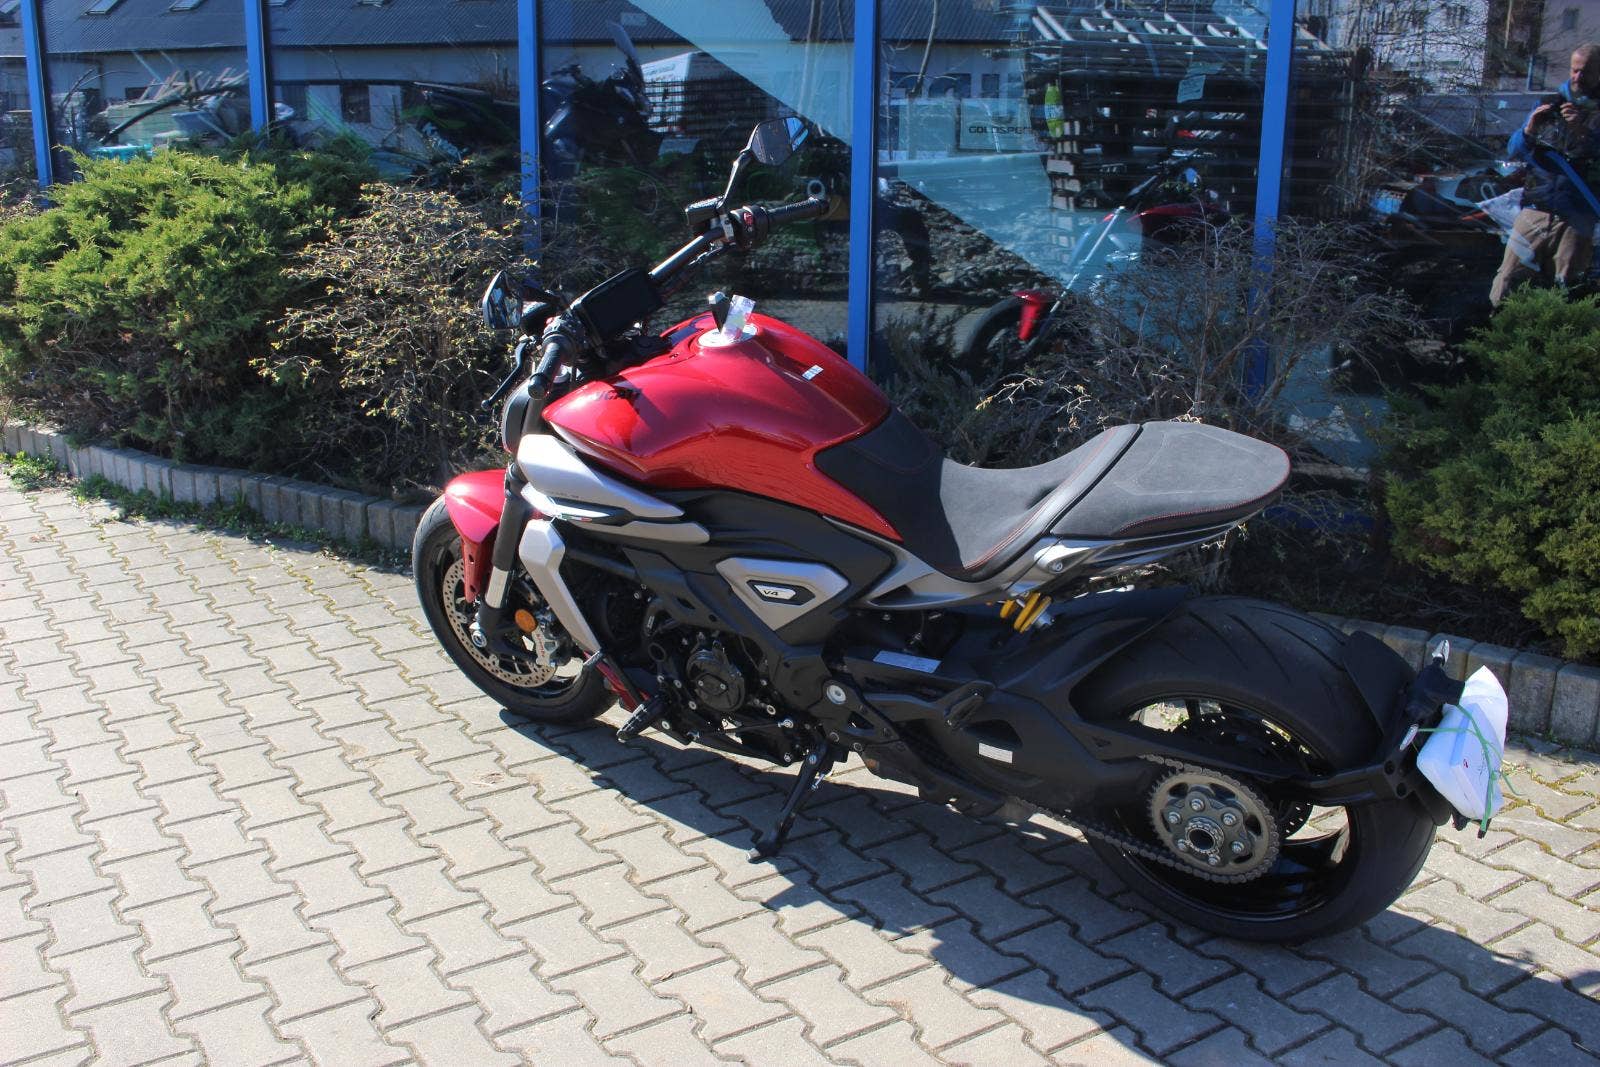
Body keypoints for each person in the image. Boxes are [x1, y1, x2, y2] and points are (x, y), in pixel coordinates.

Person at [1490, 45, 1600, 306]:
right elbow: (1514, 150)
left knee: (1567, 288)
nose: (1577, 77)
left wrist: (1582, 132)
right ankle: (1499, 323)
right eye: (1574, 70)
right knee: (1507, 282)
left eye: (1585, 72)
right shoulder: (1549, 103)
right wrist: (1529, 131)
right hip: (1536, 207)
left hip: (1577, 215)